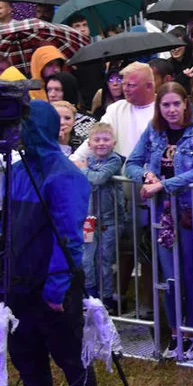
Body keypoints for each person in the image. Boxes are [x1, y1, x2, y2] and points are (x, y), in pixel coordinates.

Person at [7, 101, 106, 386]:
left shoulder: (65, 175)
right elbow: (7, 228)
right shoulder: (17, 171)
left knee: (71, 359)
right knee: (28, 359)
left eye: (26, 125)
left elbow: (69, 236)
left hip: (55, 289)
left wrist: (55, 288)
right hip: (19, 284)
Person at [126, 82, 193, 361]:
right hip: (160, 215)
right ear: (159, 107)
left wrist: (164, 185)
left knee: (189, 275)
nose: (172, 110)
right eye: (166, 105)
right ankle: (175, 333)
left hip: (188, 211)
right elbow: (131, 162)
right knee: (169, 277)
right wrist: (147, 176)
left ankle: (192, 334)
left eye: (177, 103)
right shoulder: (154, 131)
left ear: (186, 103)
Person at [71, 62, 157, 162]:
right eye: (124, 84)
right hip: (119, 173)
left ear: (149, 86)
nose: (125, 89)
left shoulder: (163, 109)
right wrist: (72, 162)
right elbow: (96, 137)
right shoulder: (116, 109)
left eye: (131, 85)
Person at [80, 123, 124, 313]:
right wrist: (86, 171)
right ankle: (90, 295)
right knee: (86, 259)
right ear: (89, 143)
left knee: (104, 261)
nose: (101, 143)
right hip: (89, 220)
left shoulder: (115, 160)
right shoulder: (88, 160)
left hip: (109, 221)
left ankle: (106, 298)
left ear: (113, 143)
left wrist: (83, 170)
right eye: (97, 140)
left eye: (106, 139)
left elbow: (99, 179)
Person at [46, 71, 95, 144]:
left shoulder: (89, 122)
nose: (52, 94)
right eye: (49, 90)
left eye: (57, 90)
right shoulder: (41, 120)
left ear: (68, 90)